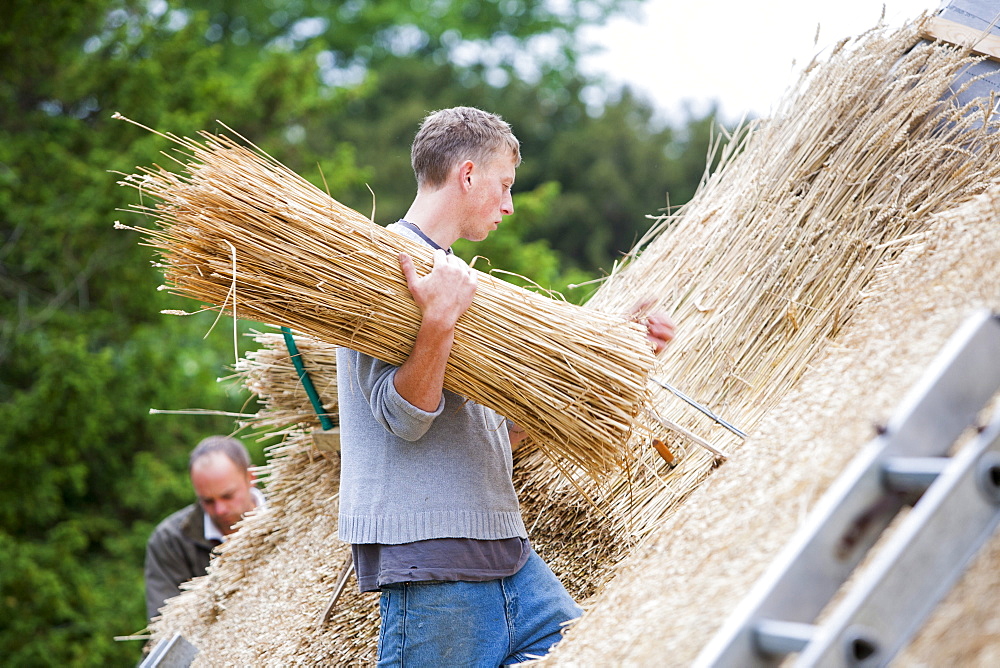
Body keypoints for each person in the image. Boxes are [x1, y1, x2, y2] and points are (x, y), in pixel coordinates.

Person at [336, 106, 675, 667]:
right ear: (467, 175)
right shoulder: (384, 265)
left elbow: (496, 433)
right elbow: (402, 417)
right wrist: (438, 321)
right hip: (435, 560)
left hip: (506, 554)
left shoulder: (458, 280)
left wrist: (622, 360)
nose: (510, 205)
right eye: (505, 185)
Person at [144, 435, 264, 621]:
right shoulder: (170, 540)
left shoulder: (292, 513)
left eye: (228, 496)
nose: (220, 509)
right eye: (207, 501)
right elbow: (163, 627)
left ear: (251, 477)